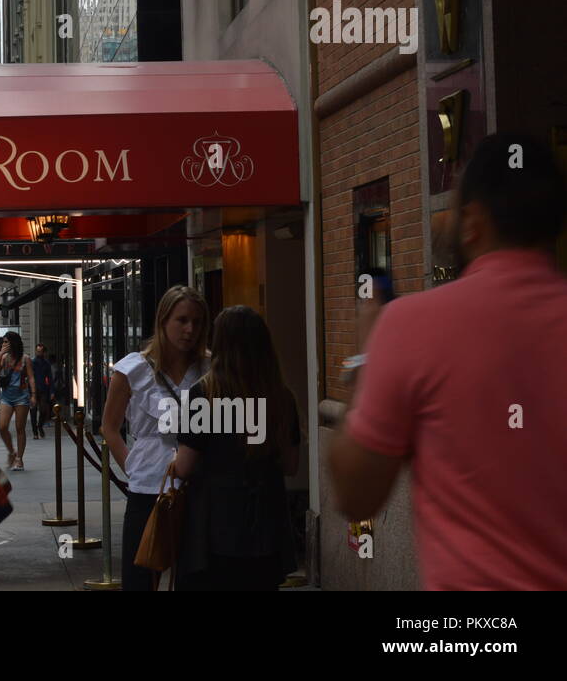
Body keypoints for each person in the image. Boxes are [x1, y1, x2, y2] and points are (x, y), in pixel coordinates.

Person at [331, 132, 567, 589]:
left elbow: (355, 493)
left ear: (474, 223)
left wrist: (366, 357)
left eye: (452, 211)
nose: (444, 225)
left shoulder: (412, 325)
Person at [171, 306, 301, 590]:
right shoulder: (281, 397)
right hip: (265, 530)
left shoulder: (204, 395)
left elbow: (183, 466)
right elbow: (291, 466)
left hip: (213, 532)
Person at [101, 284, 210, 592]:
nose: (190, 329)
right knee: (140, 577)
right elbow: (109, 427)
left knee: (193, 577)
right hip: (148, 486)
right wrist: (130, 467)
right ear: (163, 320)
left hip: (196, 485)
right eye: (182, 320)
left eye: (197, 322)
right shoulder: (133, 368)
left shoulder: (209, 367)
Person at [0, 332, 36, 471]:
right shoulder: (4, 357)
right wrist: (0, 354)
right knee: (2, 426)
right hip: (6, 396)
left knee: (20, 428)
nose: (4, 344)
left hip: (21, 396)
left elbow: (31, 377)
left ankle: (19, 459)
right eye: (3, 342)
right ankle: (12, 452)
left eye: (6, 342)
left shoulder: (25, 359)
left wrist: (33, 395)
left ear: (13, 343)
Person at [30, 344, 53, 438]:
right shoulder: (32, 362)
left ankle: (39, 426)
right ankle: (35, 433)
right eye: (37, 351)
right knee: (33, 411)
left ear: (44, 352)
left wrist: (52, 391)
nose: (38, 353)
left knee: (43, 410)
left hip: (43, 390)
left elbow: (50, 378)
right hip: (33, 390)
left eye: (40, 351)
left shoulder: (46, 363)